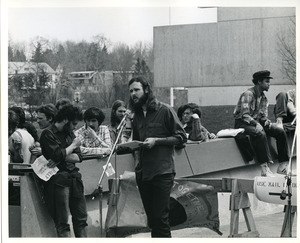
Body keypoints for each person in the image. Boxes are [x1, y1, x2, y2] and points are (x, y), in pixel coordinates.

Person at [128, 76, 187, 237]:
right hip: (143, 174)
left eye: (136, 90)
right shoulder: (137, 116)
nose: (133, 94)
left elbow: (181, 137)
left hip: (162, 172)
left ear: (146, 90)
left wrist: (157, 141)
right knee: (153, 220)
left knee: (161, 220)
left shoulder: (165, 110)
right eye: (131, 91)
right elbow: (137, 141)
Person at [39, 104, 88, 237]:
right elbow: (56, 155)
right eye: (74, 123)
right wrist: (72, 146)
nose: (75, 127)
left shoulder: (69, 133)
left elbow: (78, 157)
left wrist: (61, 156)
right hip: (59, 182)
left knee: (81, 220)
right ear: (66, 120)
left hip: (74, 179)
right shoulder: (47, 133)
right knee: (63, 223)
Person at [233, 70, 289, 176]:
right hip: (242, 123)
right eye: (267, 81)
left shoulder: (263, 97)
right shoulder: (248, 94)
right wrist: (256, 123)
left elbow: (263, 116)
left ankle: (282, 166)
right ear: (259, 82)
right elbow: (244, 115)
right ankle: (264, 168)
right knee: (260, 132)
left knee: (280, 131)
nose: (269, 84)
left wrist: (266, 121)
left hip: (255, 122)